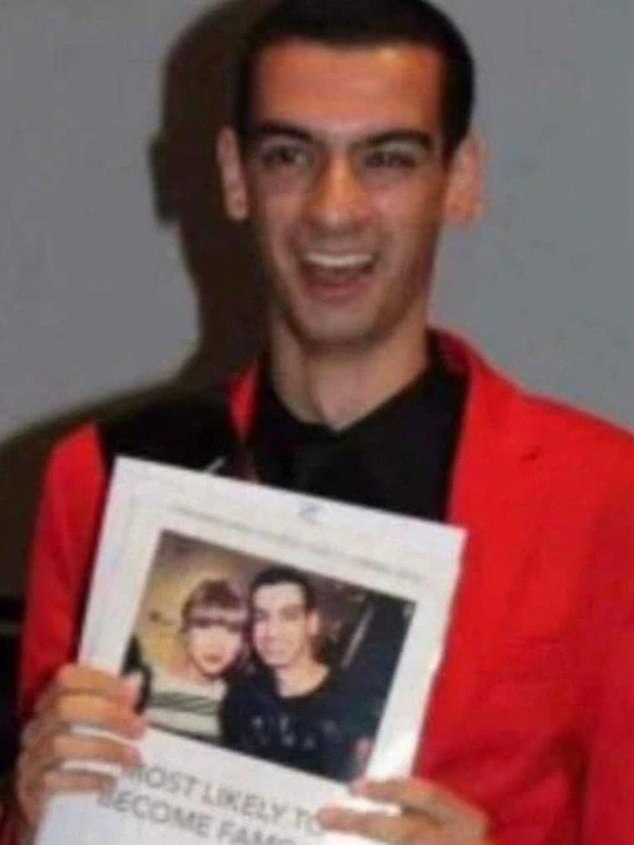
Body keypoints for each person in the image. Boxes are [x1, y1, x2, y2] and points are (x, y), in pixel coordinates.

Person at [6, 0, 634, 843]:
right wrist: (29, 803)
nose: (333, 210)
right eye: (290, 155)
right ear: (236, 176)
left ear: (461, 179)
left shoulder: (605, 496)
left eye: (387, 159)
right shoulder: (106, 474)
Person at [222, 566, 373, 780]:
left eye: (289, 616)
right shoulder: (240, 697)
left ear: (312, 623)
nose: (271, 633)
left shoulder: (354, 703)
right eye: (261, 617)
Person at [142, 578, 247, 743]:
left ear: (242, 643)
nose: (217, 642)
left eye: (232, 630)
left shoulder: (235, 704)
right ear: (185, 632)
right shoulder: (146, 682)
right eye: (204, 626)